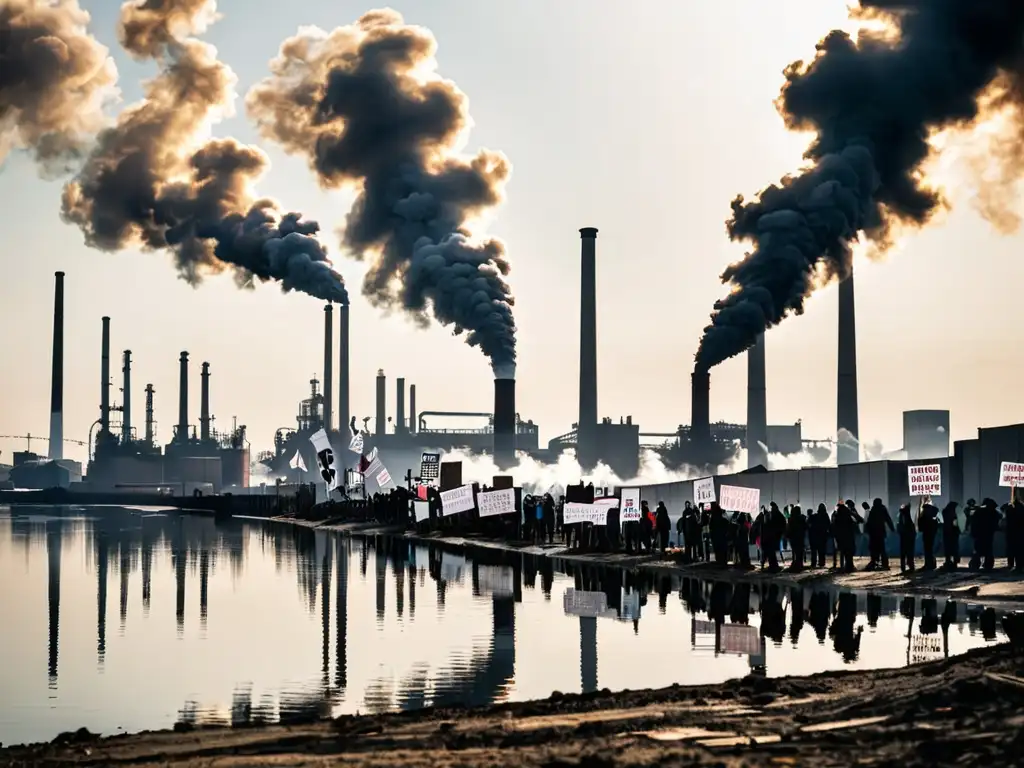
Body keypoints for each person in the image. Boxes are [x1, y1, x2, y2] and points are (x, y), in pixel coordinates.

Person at [865, 498, 894, 570]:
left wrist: (867, 530)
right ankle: (883, 564)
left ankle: (875, 562)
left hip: (874, 533)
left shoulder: (874, 510)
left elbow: (869, 522)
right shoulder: (882, 509)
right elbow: (888, 519)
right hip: (880, 532)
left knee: (874, 548)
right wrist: (892, 528)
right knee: (881, 548)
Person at [917, 498, 940, 571]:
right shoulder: (933, 516)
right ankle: (931, 564)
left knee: (928, 550)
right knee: (929, 550)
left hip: (927, 535)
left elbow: (920, 527)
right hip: (931, 535)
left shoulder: (925, 516)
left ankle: (928, 564)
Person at [808, 503, 831, 568]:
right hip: (822, 535)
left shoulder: (814, 516)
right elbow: (828, 525)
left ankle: (813, 563)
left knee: (814, 551)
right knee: (822, 550)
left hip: (814, 536)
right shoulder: (825, 515)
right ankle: (821, 563)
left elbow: (809, 525)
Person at [787, 504, 808, 572]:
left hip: (793, 538)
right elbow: (806, 527)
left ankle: (796, 564)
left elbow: (789, 529)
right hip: (800, 537)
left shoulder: (791, 519)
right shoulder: (802, 519)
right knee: (800, 552)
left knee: (795, 552)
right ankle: (799, 565)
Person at [897, 502, 916, 573]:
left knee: (903, 553)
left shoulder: (902, 516)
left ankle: (904, 567)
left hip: (904, 536)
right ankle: (910, 566)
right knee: (909, 552)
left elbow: (900, 526)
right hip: (909, 536)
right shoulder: (907, 516)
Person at [941, 501, 961, 570]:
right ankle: (954, 562)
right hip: (953, 533)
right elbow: (955, 524)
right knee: (954, 547)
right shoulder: (954, 514)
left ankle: (948, 561)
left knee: (947, 548)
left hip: (946, 532)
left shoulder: (945, 512)